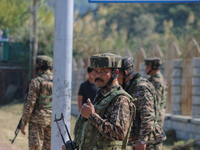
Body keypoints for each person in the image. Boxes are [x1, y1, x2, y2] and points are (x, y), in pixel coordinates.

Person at [62, 53, 135, 150]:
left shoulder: (121, 99)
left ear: (115, 73)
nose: (97, 75)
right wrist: (75, 144)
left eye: (103, 71)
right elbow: (92, 131)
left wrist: (92, 116)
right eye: (95, 71)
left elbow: (119, 133)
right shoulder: (101, 96)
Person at [117, 56, 166, 150]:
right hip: (140, 139)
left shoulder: (141, 87)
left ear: (125, 73)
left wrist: (142, 140)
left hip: (149, 141)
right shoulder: (131, 85)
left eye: (117, 74)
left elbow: (148, 116)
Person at [21, 55, 53, 150]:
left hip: (37, 120)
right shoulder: (55, 80)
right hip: (52, 119)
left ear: (38, 66)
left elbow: (30, 103)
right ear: (50, 67)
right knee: (48, 147)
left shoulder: (36, 81)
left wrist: (24, 122)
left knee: (36, 147)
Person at [145, 57, 168, 128]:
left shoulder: (156, 81)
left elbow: (156, 102)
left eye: (148, 67)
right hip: (158, 115)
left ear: (154, 67)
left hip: (156, 117)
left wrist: (151, 119)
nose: (146, 69)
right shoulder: (158, 78)